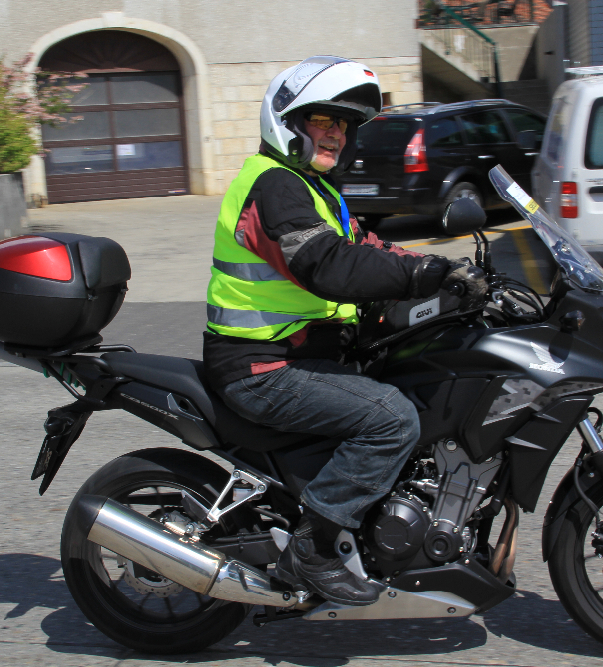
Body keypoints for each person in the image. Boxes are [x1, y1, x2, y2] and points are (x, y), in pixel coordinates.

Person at [203, 56, 487, 606]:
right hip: (262, 366)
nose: (335, 132)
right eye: (321, 120)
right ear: (287, 122)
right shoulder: (273, 187)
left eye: (343, 124)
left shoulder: (313, 189)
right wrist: (423, 276)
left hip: (301, 355)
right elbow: (327, 264)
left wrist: (449, 272)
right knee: (391, 418)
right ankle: (312, 549)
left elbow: (368, 249)